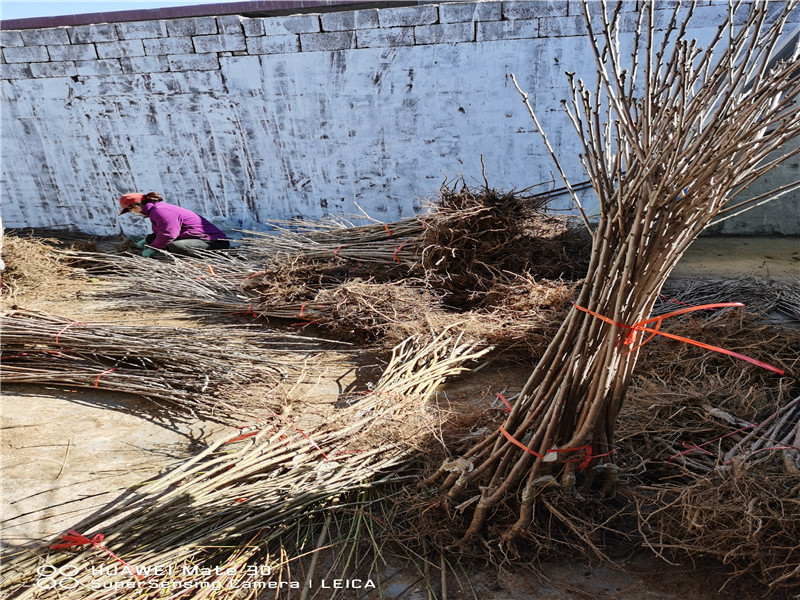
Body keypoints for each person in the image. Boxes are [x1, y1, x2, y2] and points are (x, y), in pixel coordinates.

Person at [118, 192, 230, 257]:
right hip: (193, 237)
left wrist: (152, 249)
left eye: (131, 211)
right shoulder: (155, 210)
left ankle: (200, 260)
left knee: (176, 246)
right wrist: (147, 241)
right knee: (151, 238)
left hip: (214, 242)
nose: (133, 213)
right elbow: (161, 232)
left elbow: (168, 234)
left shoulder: (160, 211)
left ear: (136, 207)